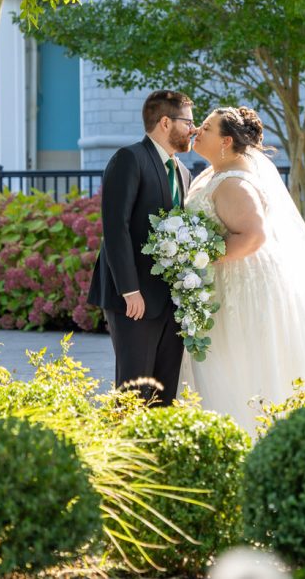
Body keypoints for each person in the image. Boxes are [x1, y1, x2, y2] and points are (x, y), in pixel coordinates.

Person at [179, 106, 305, 431]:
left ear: (226, 141)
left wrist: (201, 257)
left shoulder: (233, 183)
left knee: (246, 360)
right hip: (225, 280)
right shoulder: (213, 173)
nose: (197, 132)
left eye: (206, 128)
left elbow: (254, 236)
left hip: (241, 284)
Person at [88, 90, 194, 406]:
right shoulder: (129, 159)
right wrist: (129, 290)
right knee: (133, 391)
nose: (194, 128)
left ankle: (158, 452)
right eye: (188, 121)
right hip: (134, 300)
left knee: (165, 393)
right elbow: (115, 227)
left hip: (171, 301)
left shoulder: (183, 172)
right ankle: (125, 454)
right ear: (165, 122)